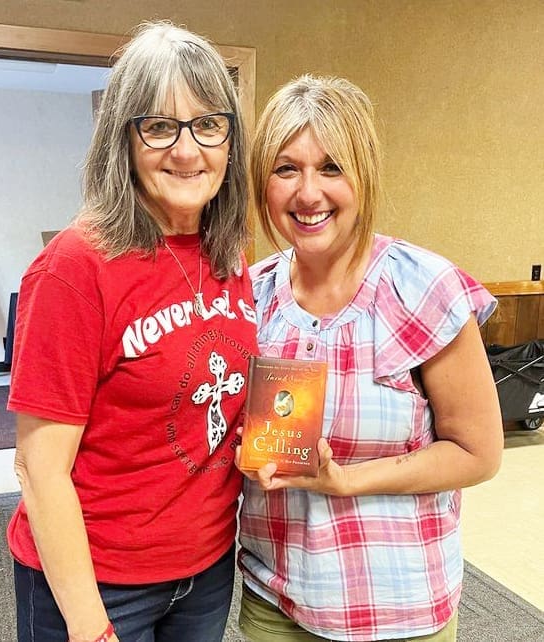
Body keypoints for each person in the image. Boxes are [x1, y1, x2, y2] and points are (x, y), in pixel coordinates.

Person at [7, 21, 258, 642]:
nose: (187, 150)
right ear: (123, 138)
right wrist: (90, 628)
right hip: (98, 582)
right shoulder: (74, 268)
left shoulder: (227, 254)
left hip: (205, 570)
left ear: (230, 140)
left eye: (208, 124)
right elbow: (40, 469)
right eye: (159, 126)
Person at [237, 74, 503, 642]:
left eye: (331, 168)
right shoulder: (249, 297)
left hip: (400, 610)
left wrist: (347, 481)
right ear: (262, 181)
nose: (308, 193)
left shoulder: (421, 287)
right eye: (287, 169)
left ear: (364, 176)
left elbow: (478, 453)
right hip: (277, 600)